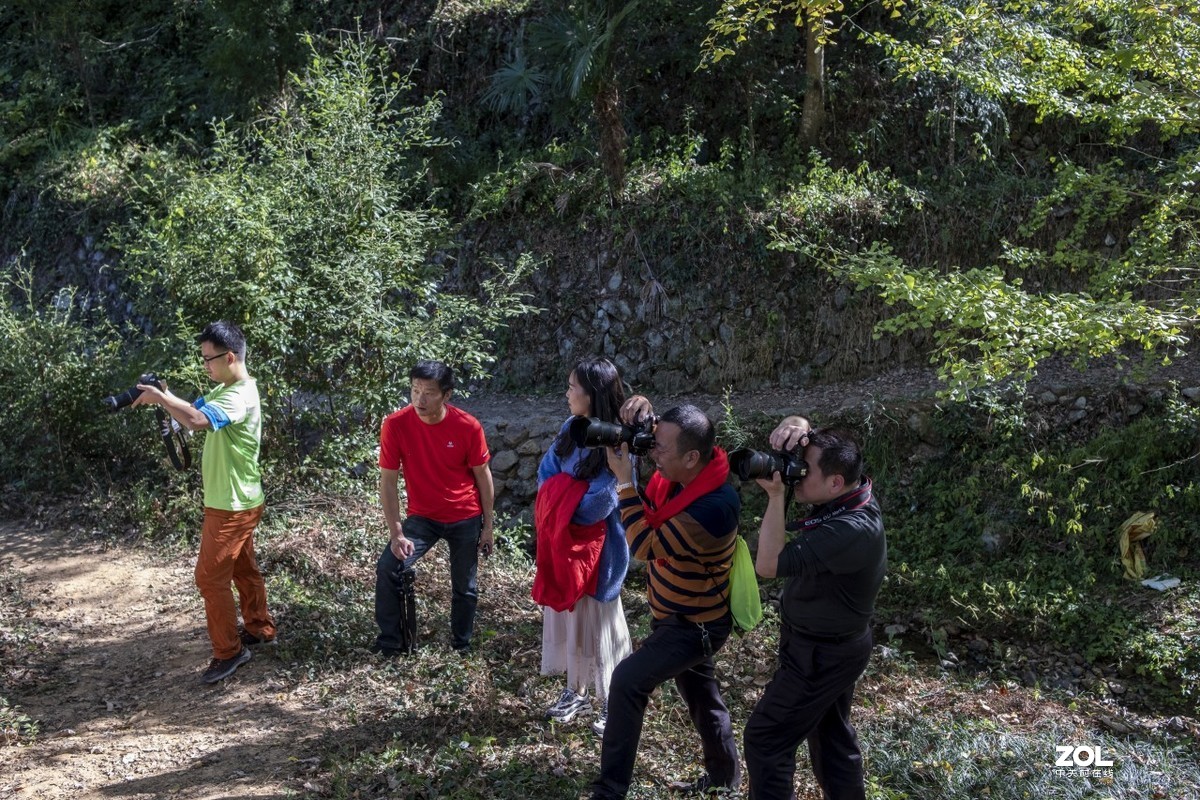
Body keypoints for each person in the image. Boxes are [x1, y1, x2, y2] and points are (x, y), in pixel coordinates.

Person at [590, 403, 742, 800]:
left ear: (691, 457)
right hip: (678, 614)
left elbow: (645, 545)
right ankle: (725, 777)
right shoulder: (680, 478)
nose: (653, 453)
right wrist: (639, 410)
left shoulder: (714, 506)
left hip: (695, 626)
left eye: (660, 448)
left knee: (627, 681)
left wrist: (625, 482)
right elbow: (664, 437)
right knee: (702, 697)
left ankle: (609, 790)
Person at [743, 419, 886, 800]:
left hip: (821, 655)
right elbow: (827, 445)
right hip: (828, 644)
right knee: (832, 738)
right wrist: (799, 425)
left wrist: (776, 497)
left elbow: (768, 565)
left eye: (805, 470)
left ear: (835, 482)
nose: (797, 474)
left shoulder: (852, 529)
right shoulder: (848, 492)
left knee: (766, 738)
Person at [131, 320, 275, 684]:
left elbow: (195, 421)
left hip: (230, 505)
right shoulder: (228, 389)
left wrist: (162, 399)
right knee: (242, 569)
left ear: (230, 357)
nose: (205, 365)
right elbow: (191, 409)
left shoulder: (237, 397)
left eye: (208, 359)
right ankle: (259, 628)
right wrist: (164, 394)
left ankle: (229, 652)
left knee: (210, 578)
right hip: (241, 498)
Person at [532, 357, 633, 734]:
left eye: (573, 387)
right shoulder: (570, 428)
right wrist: (565, 494)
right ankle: (576, 690)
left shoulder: (617, 438)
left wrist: (562, 499)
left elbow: (601, 503)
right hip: (564, 546)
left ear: (592, 394)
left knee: (602, 626)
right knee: (573, 620)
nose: (567, 393)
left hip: (601, 554)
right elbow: (545, 475)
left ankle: (613, 700)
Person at [373, 360, 494, 655]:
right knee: (389, 566)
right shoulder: (396, 424)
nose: (420, 399)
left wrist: (488, 527)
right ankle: (391, 641)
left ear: (446, 395)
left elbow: (483, 476)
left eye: (428, 392)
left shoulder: (467, 426)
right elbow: (388, 482)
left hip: (465, 514)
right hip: (423, 517)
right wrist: (396, 533)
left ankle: (461, 646)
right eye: (415, 390)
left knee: (465, 587)